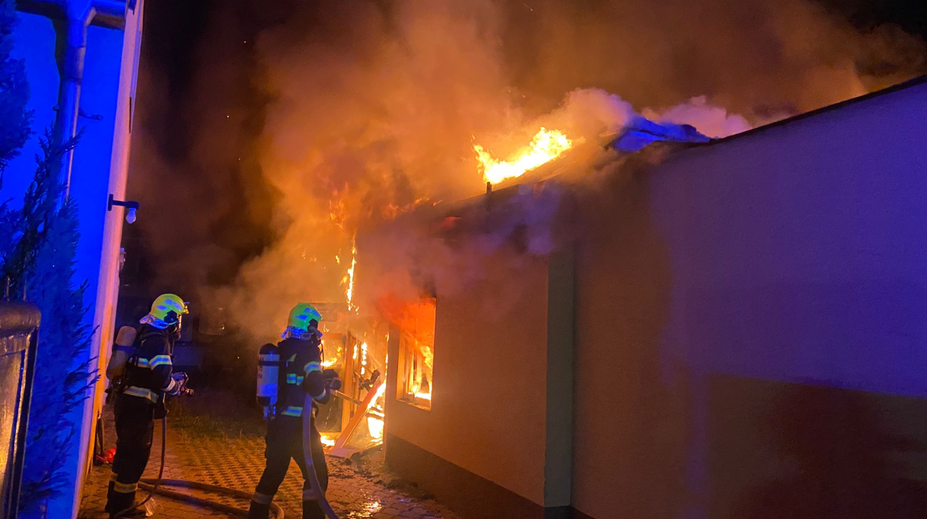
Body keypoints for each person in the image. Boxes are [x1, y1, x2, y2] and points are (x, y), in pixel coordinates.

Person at [248, 303, 340, 519]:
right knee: (316, 473)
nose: (318, 331)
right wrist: (327, 394)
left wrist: (322, 377)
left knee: (275, 471)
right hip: (299, 426)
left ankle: (256, 515)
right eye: (316, 326)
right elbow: (314, 386)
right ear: (309, 327)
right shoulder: (309, 351)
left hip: (278, 423)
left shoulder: (283, 348)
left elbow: (294, 378)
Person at [105, 293, 190, 518]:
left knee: (124, 453)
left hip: (126, 403)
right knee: (135, 458)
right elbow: (162, 377)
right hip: (139, 408)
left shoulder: (144, 332)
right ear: (170, 317)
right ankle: (124, 509)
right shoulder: (158, 340)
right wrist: (176, 388)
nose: (179, 324)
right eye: (178, 318)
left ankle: (114, 503)